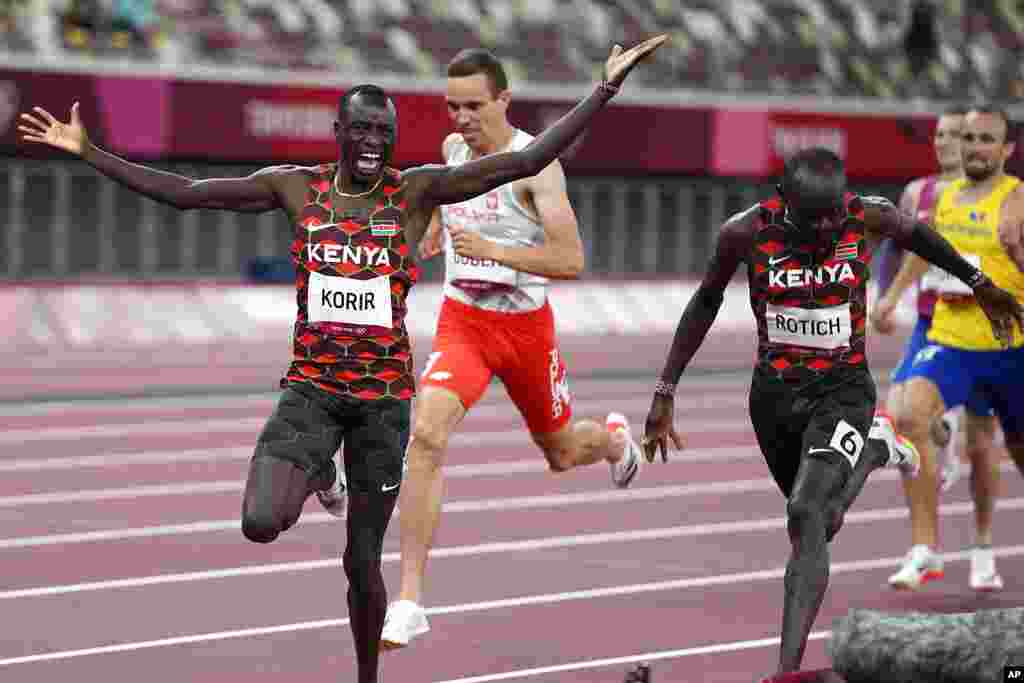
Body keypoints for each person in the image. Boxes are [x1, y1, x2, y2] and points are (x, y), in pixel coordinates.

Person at [17, 34, 666, 683]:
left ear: (391, 136)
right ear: (338, 131)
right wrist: (89, 151)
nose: (371, 140)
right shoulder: (297, 189)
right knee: (260, 521)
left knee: (361, 567)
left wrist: (604, 86)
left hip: (382, 406)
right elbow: (188, 191)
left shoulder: (415, 193)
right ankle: (324, 475)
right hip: (312, 390)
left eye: (382, 130)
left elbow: (531, 161)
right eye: (359, 128)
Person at [641, 147, 1023, 677]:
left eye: (832, 214)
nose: (825, 226)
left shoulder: (866, 215)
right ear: (783, 200)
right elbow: (705, 301)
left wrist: (980, 285)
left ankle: (786, 673)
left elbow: (924, 239)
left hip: (843, 391)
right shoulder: (744, 233)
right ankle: (875, 449)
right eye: (811, 216)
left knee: (805, 511)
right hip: (774, 397)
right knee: (819, 524)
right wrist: (666, 388)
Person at [379, 47, 647, 650]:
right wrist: (424, 241)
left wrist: (495, 252)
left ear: (504, 100)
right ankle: (409, 600)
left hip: (526, 331)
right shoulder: (452, 153)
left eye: (474, 106)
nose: (462, 118)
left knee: (558, 453)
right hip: (464, 325)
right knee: (425, 435)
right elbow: (439, 217)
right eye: (452, 106)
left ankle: (610, 441)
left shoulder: (538, 168)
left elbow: (571, 260)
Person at [871, 105, 1004, 591]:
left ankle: (984, 545)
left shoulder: (1000, 197)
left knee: (982, 445)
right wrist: (885, 298)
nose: (948, 143)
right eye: (942, 135)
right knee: (901, 416)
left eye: (958, 135)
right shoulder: (918, 193)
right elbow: (901, 247)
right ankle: (924, 547)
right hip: (935, 322)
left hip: (988, 329)